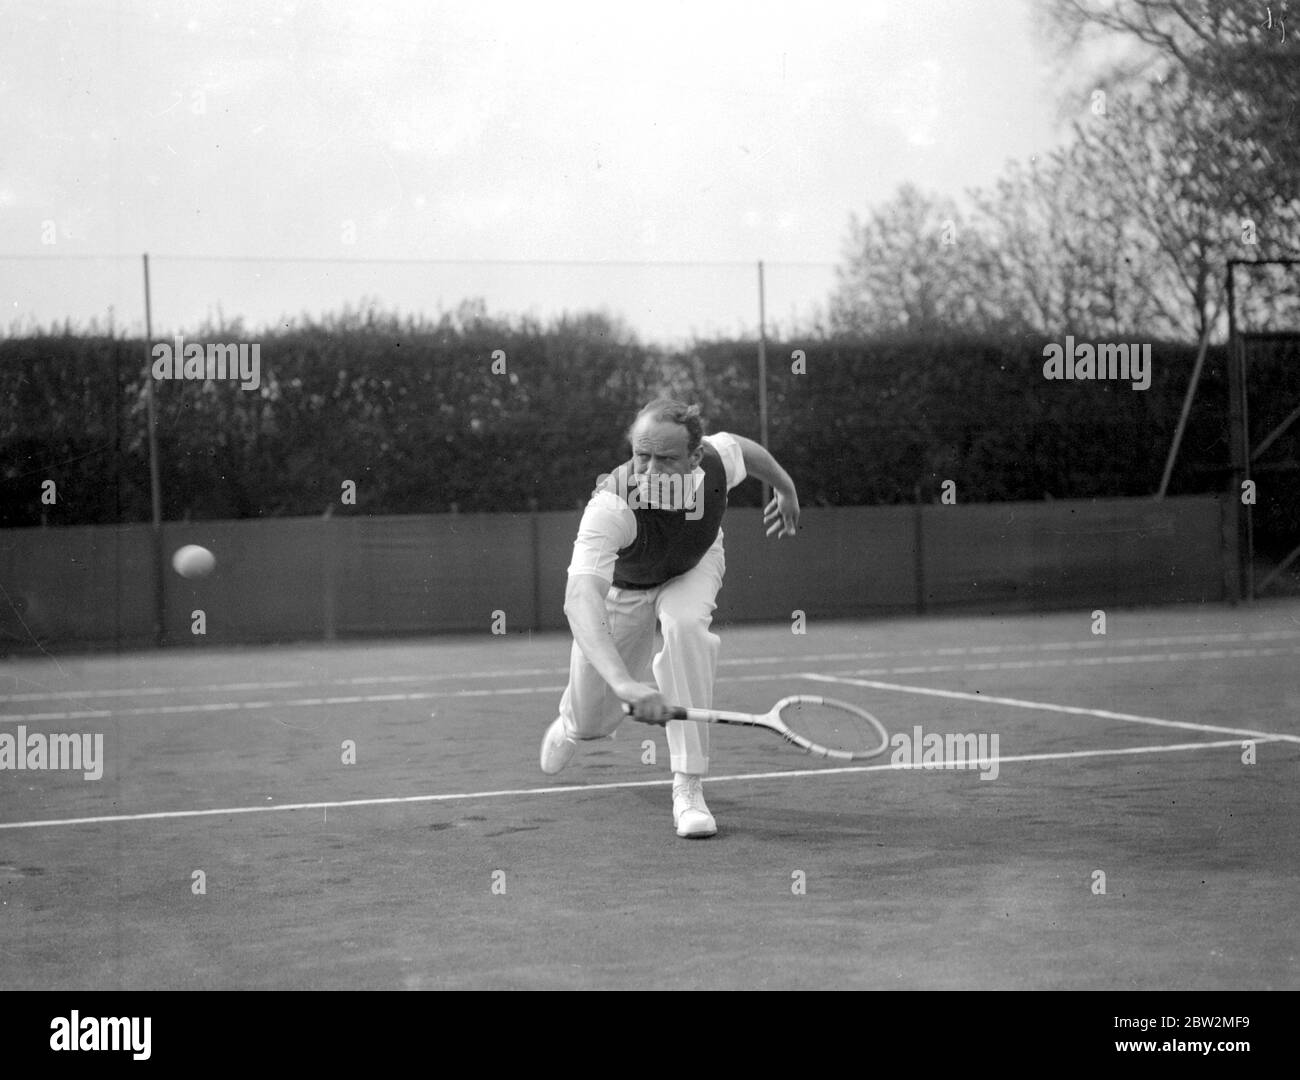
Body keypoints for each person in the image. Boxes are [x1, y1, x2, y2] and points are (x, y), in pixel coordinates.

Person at [539, 398, 800, 838]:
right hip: (627, 589)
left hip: (692, 564)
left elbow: (746, 450)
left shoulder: (716, 461)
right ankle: (572, 723)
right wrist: (625, 684)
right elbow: (580, 598)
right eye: (642, 455)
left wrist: (786, 487)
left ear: (695, 457)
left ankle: (688, 786)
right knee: (592, 723)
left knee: (685, 627)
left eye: (666, 459)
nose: (650, 471)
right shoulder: (611, 505)